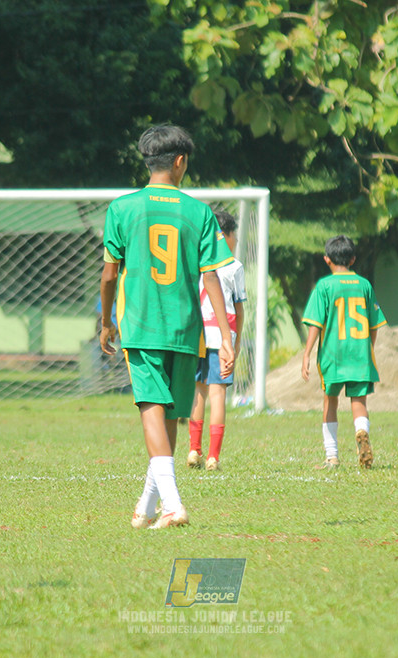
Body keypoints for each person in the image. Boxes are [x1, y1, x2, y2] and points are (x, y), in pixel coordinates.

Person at [100, 124, 236, 529]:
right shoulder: (198, 211)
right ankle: (147, 506)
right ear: (180, 162)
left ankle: (174, 505)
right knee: (171, 415)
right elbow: (211, 277)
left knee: (151, 409)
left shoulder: (122, 208)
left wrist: (106, 320)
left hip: (142, 326)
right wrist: (225, 338)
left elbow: (109, 275)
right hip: (185, 330)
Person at [300, 235, 386, 469]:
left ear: (327, 259)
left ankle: (332, 456)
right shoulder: (364, 285)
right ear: (353, 259)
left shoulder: (325, 286)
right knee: (359, 402)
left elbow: (316, 324)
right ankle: (361, 431)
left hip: (333, 356)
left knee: (330, 401)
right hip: (360, 354)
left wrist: (307, 354)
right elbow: (373, 325)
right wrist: (368, 349)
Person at [187, 206, 246, 472]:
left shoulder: (195, 260)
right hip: (223, 334)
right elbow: (239, 307)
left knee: (198, 392)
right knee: (218, 395)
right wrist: (236, 340)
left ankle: (193, 450)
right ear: (228, 236)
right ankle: (213, 457)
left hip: (198, 334)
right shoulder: (234, 266)